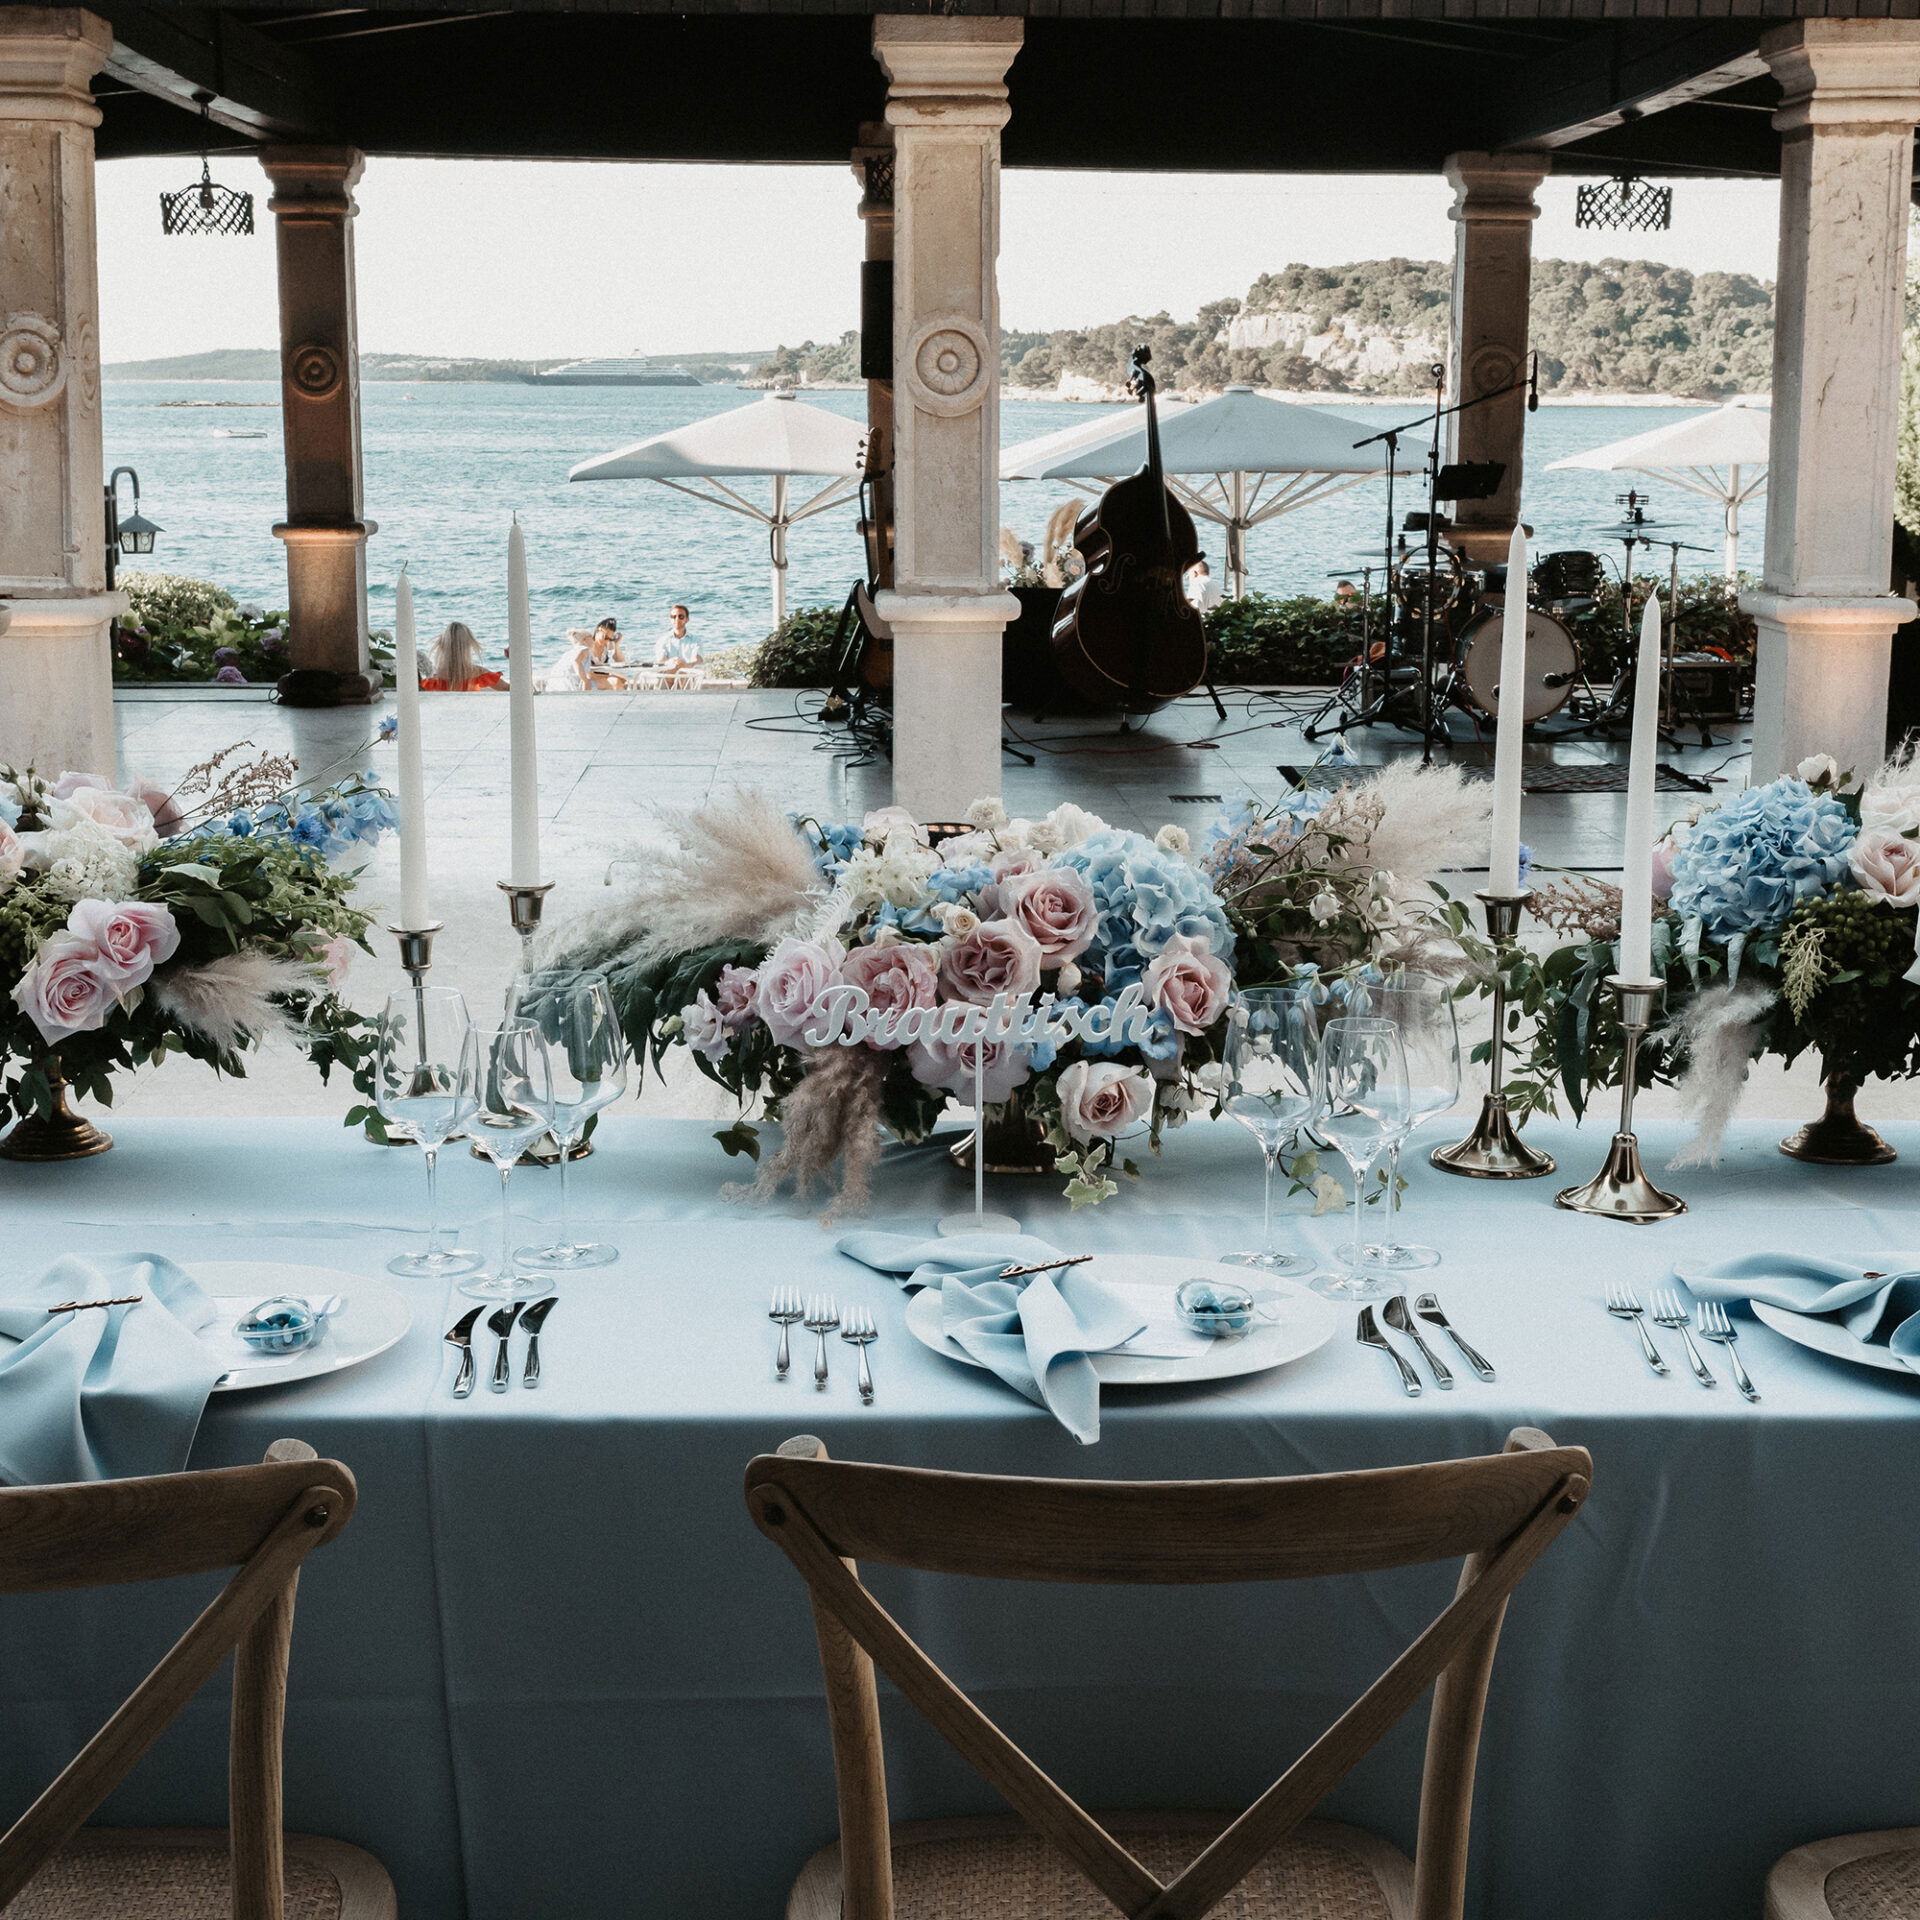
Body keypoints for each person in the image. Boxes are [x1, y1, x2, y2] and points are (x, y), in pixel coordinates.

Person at [419, 621, 506, 692]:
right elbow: (506, 688)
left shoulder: (434, 678)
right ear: (469, 645)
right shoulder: (478, 673)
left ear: (442, 646)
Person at [656, 604, 703, 669]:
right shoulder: (662, 640)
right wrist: (671, 662)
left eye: (681, 616)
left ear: (687, 619)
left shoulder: (695, 640)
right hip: (668, 675)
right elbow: (661, 660)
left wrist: (685, 665)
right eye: (674, 617)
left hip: (688, 675)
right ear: (670, 619)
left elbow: (698, 660)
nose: (677, 619)